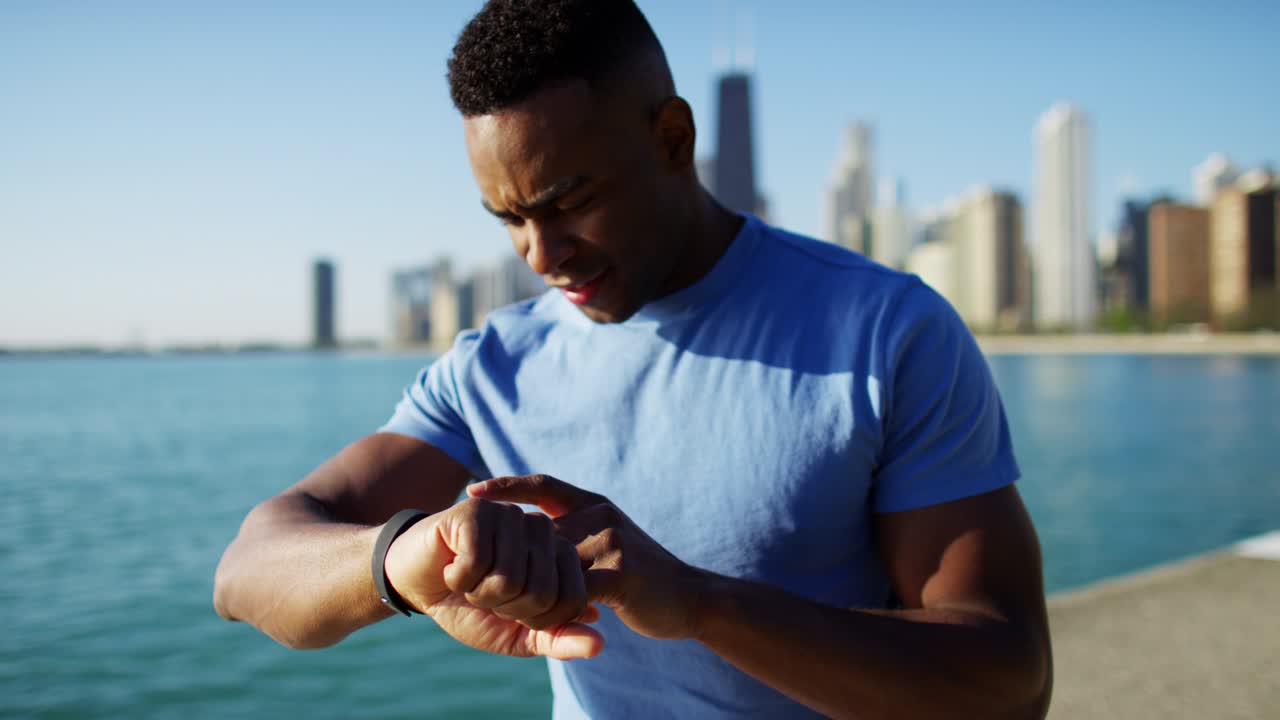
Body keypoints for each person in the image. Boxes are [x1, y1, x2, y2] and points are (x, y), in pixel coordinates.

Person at [214, 1, 1053, 717]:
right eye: (508, 219)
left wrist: (699, 603)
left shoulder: (885, 330)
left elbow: (1011, 687)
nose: (540, 254)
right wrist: (407, 558)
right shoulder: (492, 367)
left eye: (570, 202)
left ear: (673, 137)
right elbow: (248, 573)